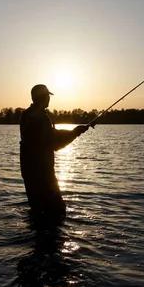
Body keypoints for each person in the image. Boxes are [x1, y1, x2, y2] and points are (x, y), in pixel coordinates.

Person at [20, 84, 89, 218]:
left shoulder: (27, 115)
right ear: (43, 97)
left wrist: (75, 131)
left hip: (28, 171)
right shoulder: (41, 118)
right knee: (58, 211)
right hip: (43, 173)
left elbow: (51, 135)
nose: (49, 99)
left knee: (37, 211)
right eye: (47, 96)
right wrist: (75, 133)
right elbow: (55, 143)